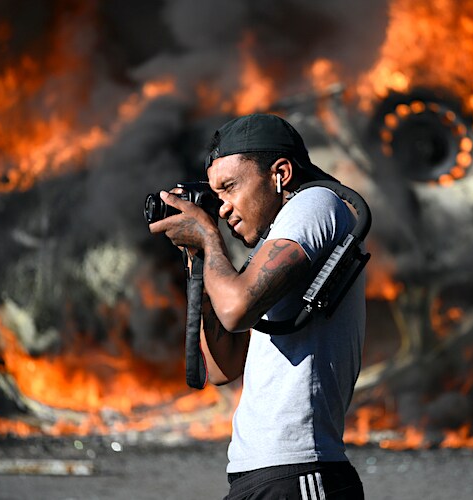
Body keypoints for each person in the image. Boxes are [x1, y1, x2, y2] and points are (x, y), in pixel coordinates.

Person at [149, 113, 366, 499]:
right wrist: (199, 257)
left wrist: (207, 237)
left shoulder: (315, 203)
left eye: (230, 188)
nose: (223, 208)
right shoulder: (278, 240)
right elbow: (222, 367)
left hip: (299, 473)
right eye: (215, 197)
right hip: (265, 475)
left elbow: (235, 310)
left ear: (280, 173)